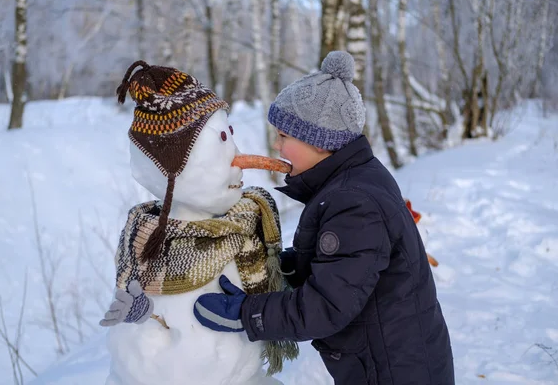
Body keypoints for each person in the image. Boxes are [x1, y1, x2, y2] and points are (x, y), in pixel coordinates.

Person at [193, 51, 455, 385]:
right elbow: (341, 269)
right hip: (394, 362)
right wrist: (273, 266)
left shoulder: (354, 203)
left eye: (284, 136)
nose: (276, 144)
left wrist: (248, 314)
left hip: (394, 372)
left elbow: (326, 306)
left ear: (321, 141)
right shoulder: (353, 181)